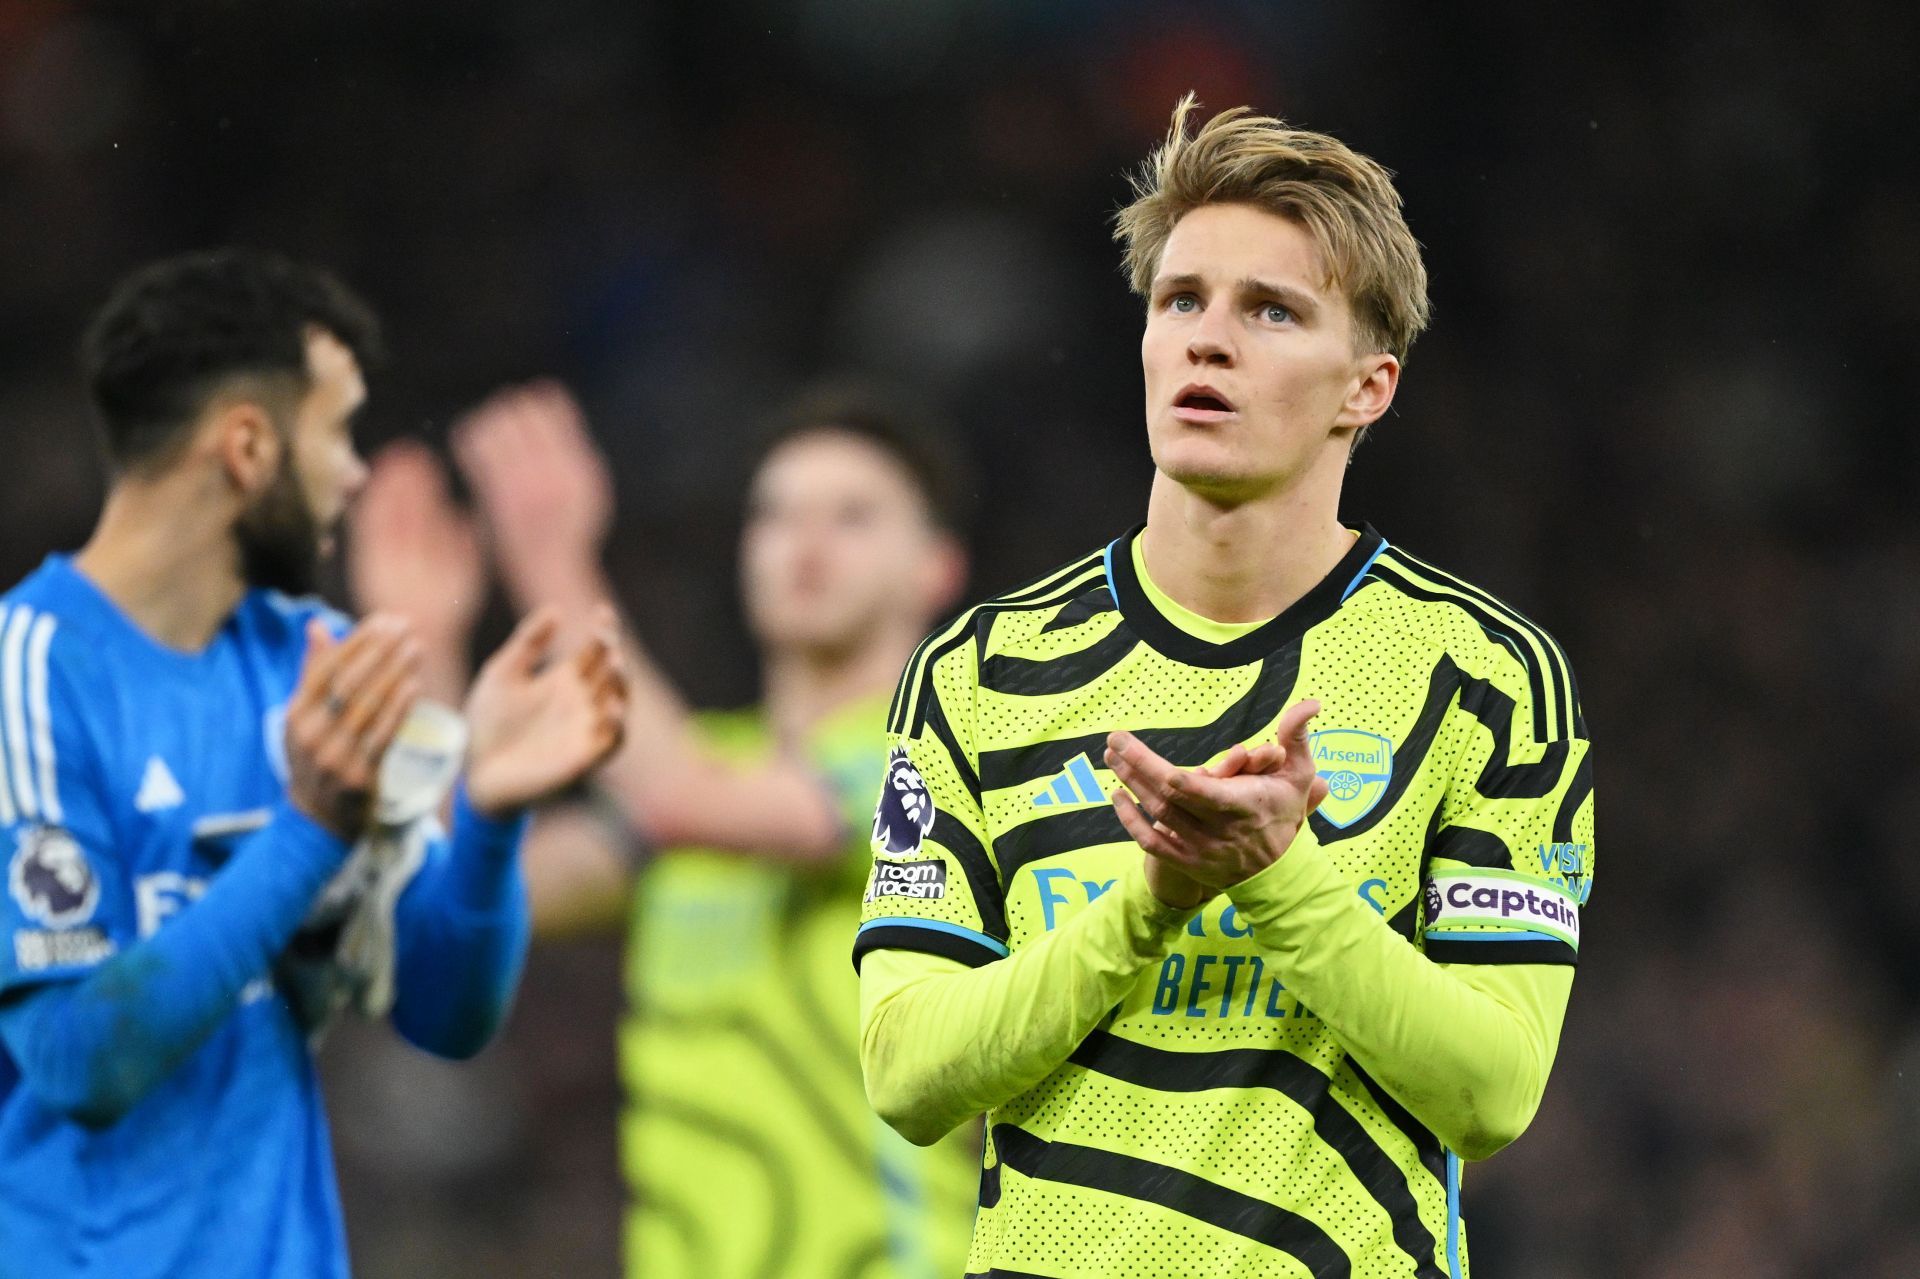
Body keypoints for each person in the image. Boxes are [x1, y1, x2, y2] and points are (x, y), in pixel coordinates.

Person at [854, 98, 1597, 1279]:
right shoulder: (979, 675)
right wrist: (1150, 903)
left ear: (1369, 387)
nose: (1209, 339)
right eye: (1181, 300)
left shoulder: (1488, 682)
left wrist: (1277, 876)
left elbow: (1492, 1091)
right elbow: (906, 1073)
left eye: (1273, 311)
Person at [0, 249, 630, 1279]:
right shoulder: (29, 672)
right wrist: (306, 832)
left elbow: (444, 1009)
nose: (356, 471)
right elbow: (80, 1056)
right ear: (247, 445)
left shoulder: (313, 664)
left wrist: (487, 815)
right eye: (337, 431)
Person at [350, 380, 981, 1277]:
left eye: (853, 516)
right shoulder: (698, 771)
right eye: (774, 514)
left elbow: (685, 797)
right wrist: (426, 655)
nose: (804, 544)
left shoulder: (947, 757)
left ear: (936, 568)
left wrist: (554, 569)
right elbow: (457, 890)